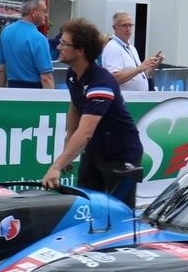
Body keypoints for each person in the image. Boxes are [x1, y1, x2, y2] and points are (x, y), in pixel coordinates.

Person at [42, 18, 143, 208]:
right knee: (85, 205)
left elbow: (86, 131)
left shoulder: (101, 83)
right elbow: (75, 105)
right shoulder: (73, 73)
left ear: (80, 50)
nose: (59, 47)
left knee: (119, 212)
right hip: (96, 150)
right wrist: (68, 139)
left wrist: (57, 166)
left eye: (64, 43)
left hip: (121, 154)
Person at [0, 0, 54, 89]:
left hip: (12, 91)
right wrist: (52, 102)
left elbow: (2, 69)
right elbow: (46, 78)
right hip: (34, 94)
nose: (46, 14)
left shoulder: (6, 32)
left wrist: (3, 95)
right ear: (33, 12)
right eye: (44, 11)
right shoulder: (39, 39)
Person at [101, 11, 162, 92]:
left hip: (136, 99)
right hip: (125, 101)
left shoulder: (131, 47)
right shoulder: (113, 48)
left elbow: (138, 75)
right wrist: (140, 68)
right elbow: (113, 78)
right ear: (114, 28)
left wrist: (150, 68)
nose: (128, 29)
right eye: (124, 25)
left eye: (130, 25)